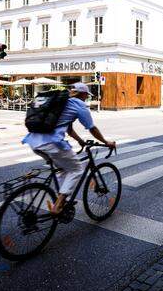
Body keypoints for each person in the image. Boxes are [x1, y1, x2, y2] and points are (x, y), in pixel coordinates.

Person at [22, 82, 116, 215]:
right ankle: (58, 205)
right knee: (77, 170)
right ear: (83, 94)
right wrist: (106, 142)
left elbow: (69, 129)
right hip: (51, 144)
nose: (86, 98)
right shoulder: (79, 105)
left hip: (34, 141)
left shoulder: (61, 103)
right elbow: (92, 128)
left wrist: (80, 141)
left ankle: (62, 198)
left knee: (62, 169)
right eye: (86, 96)